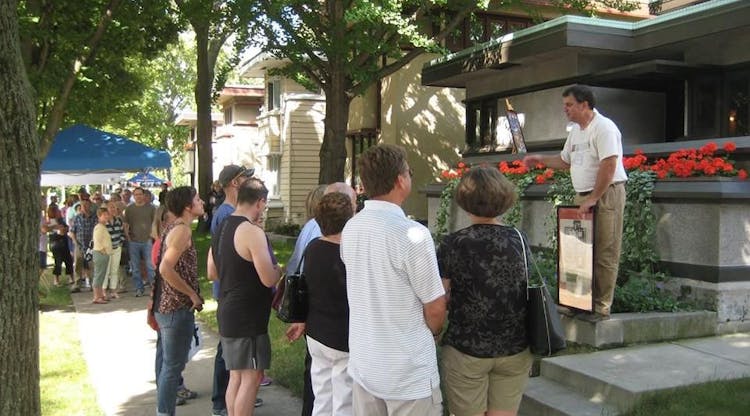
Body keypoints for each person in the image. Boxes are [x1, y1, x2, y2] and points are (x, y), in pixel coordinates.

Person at [340, 144, 447, 416]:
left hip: (366, 363)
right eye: (409, 172)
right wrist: (433, 333)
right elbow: (435, 307)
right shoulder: (412, 234)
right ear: (401, 180)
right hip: (407, 373)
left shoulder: (351, 228)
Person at [523, 85, 627, 320]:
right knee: (579, 250)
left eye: (569, 105)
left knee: (604, 251)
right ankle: (578, 301)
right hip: (583, 194)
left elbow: (609, 164)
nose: (565, 110)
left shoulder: (604, 128)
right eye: (564, 106)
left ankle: (600, 307)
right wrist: (539, 159)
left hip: (606, 194)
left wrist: (594, 198)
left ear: (584, 104)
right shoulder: (576, 131)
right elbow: (564, 160)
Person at [436, 167, 533, 416]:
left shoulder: (451, 244)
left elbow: (441, 296)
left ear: (464, 202)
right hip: (515, 347)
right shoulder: (519, 240)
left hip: (466, 349)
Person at [207, 179, 281, 416]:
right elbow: (268, 278)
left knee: (236, 377)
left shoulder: (221, 226)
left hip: (228, 309)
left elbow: (212, 272)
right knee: (251, 377)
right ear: (259, 202)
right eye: (264, 204)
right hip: (248, 317)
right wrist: (279, 270)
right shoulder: (251, 231)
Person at [286, 192, 355, 416]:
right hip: (342, 336)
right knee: (344, 402)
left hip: (316, 334)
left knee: (322, 396)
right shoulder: (349, 254)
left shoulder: (314, 247)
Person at [153, 186, 205, 416]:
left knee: (168, 365)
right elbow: (165, 268)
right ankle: (164, 412)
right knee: (172, 368)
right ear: (187, 206)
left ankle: (163, 411)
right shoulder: (182, 230)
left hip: (167, 307)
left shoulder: (174, 227)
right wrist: (192, 294)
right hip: (175, 308)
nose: (201, 201)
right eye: (197, 199)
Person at [123, 187, 157, 297]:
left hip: (147, 240)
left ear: (144, 195)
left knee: (150, 266)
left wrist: (153, 236)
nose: (138, 196)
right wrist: (127, 236)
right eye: (136, 194)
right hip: (133, 241)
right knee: (135, 267)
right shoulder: (129, 209)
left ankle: (154, 288)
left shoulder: (151, 208)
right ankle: (138, 288)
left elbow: (155, 223)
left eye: (140, 194)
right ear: (133, 196)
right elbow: (126, 224)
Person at [70, 197, 97, 290]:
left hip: (91, 245)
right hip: (79, 244)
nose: (84, 207)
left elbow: (97, 229)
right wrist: (75, 242)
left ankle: (93, 284)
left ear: (90, 205)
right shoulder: (77, 217)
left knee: (92, 265)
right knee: (78, 264)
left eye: (86, 205)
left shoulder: (94, 217)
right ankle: (77, 284)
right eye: (82, 205)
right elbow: (72, 231)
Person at [91, 207, 113, 304]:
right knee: (98, 275)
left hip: (104, 253)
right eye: (104, 215)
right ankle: (96, 296)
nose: (107, 217)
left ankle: (100, 295)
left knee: (102, 275)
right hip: (100, 253)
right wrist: (102, 250)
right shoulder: (99, 227)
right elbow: (97, 240)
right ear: (99, 216)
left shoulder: (103, 227)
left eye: (107, 215)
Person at [104, 201, 125, 300]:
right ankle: (103, 291)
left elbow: (121, 232)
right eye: (111, 207)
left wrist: (121, 242)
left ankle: (113, 290)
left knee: (114, 270)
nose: (113, 209)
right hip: (106, 249)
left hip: (117, 248)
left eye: (114, 207)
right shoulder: (103, 222)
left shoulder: (118, 220)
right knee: (106, 271)